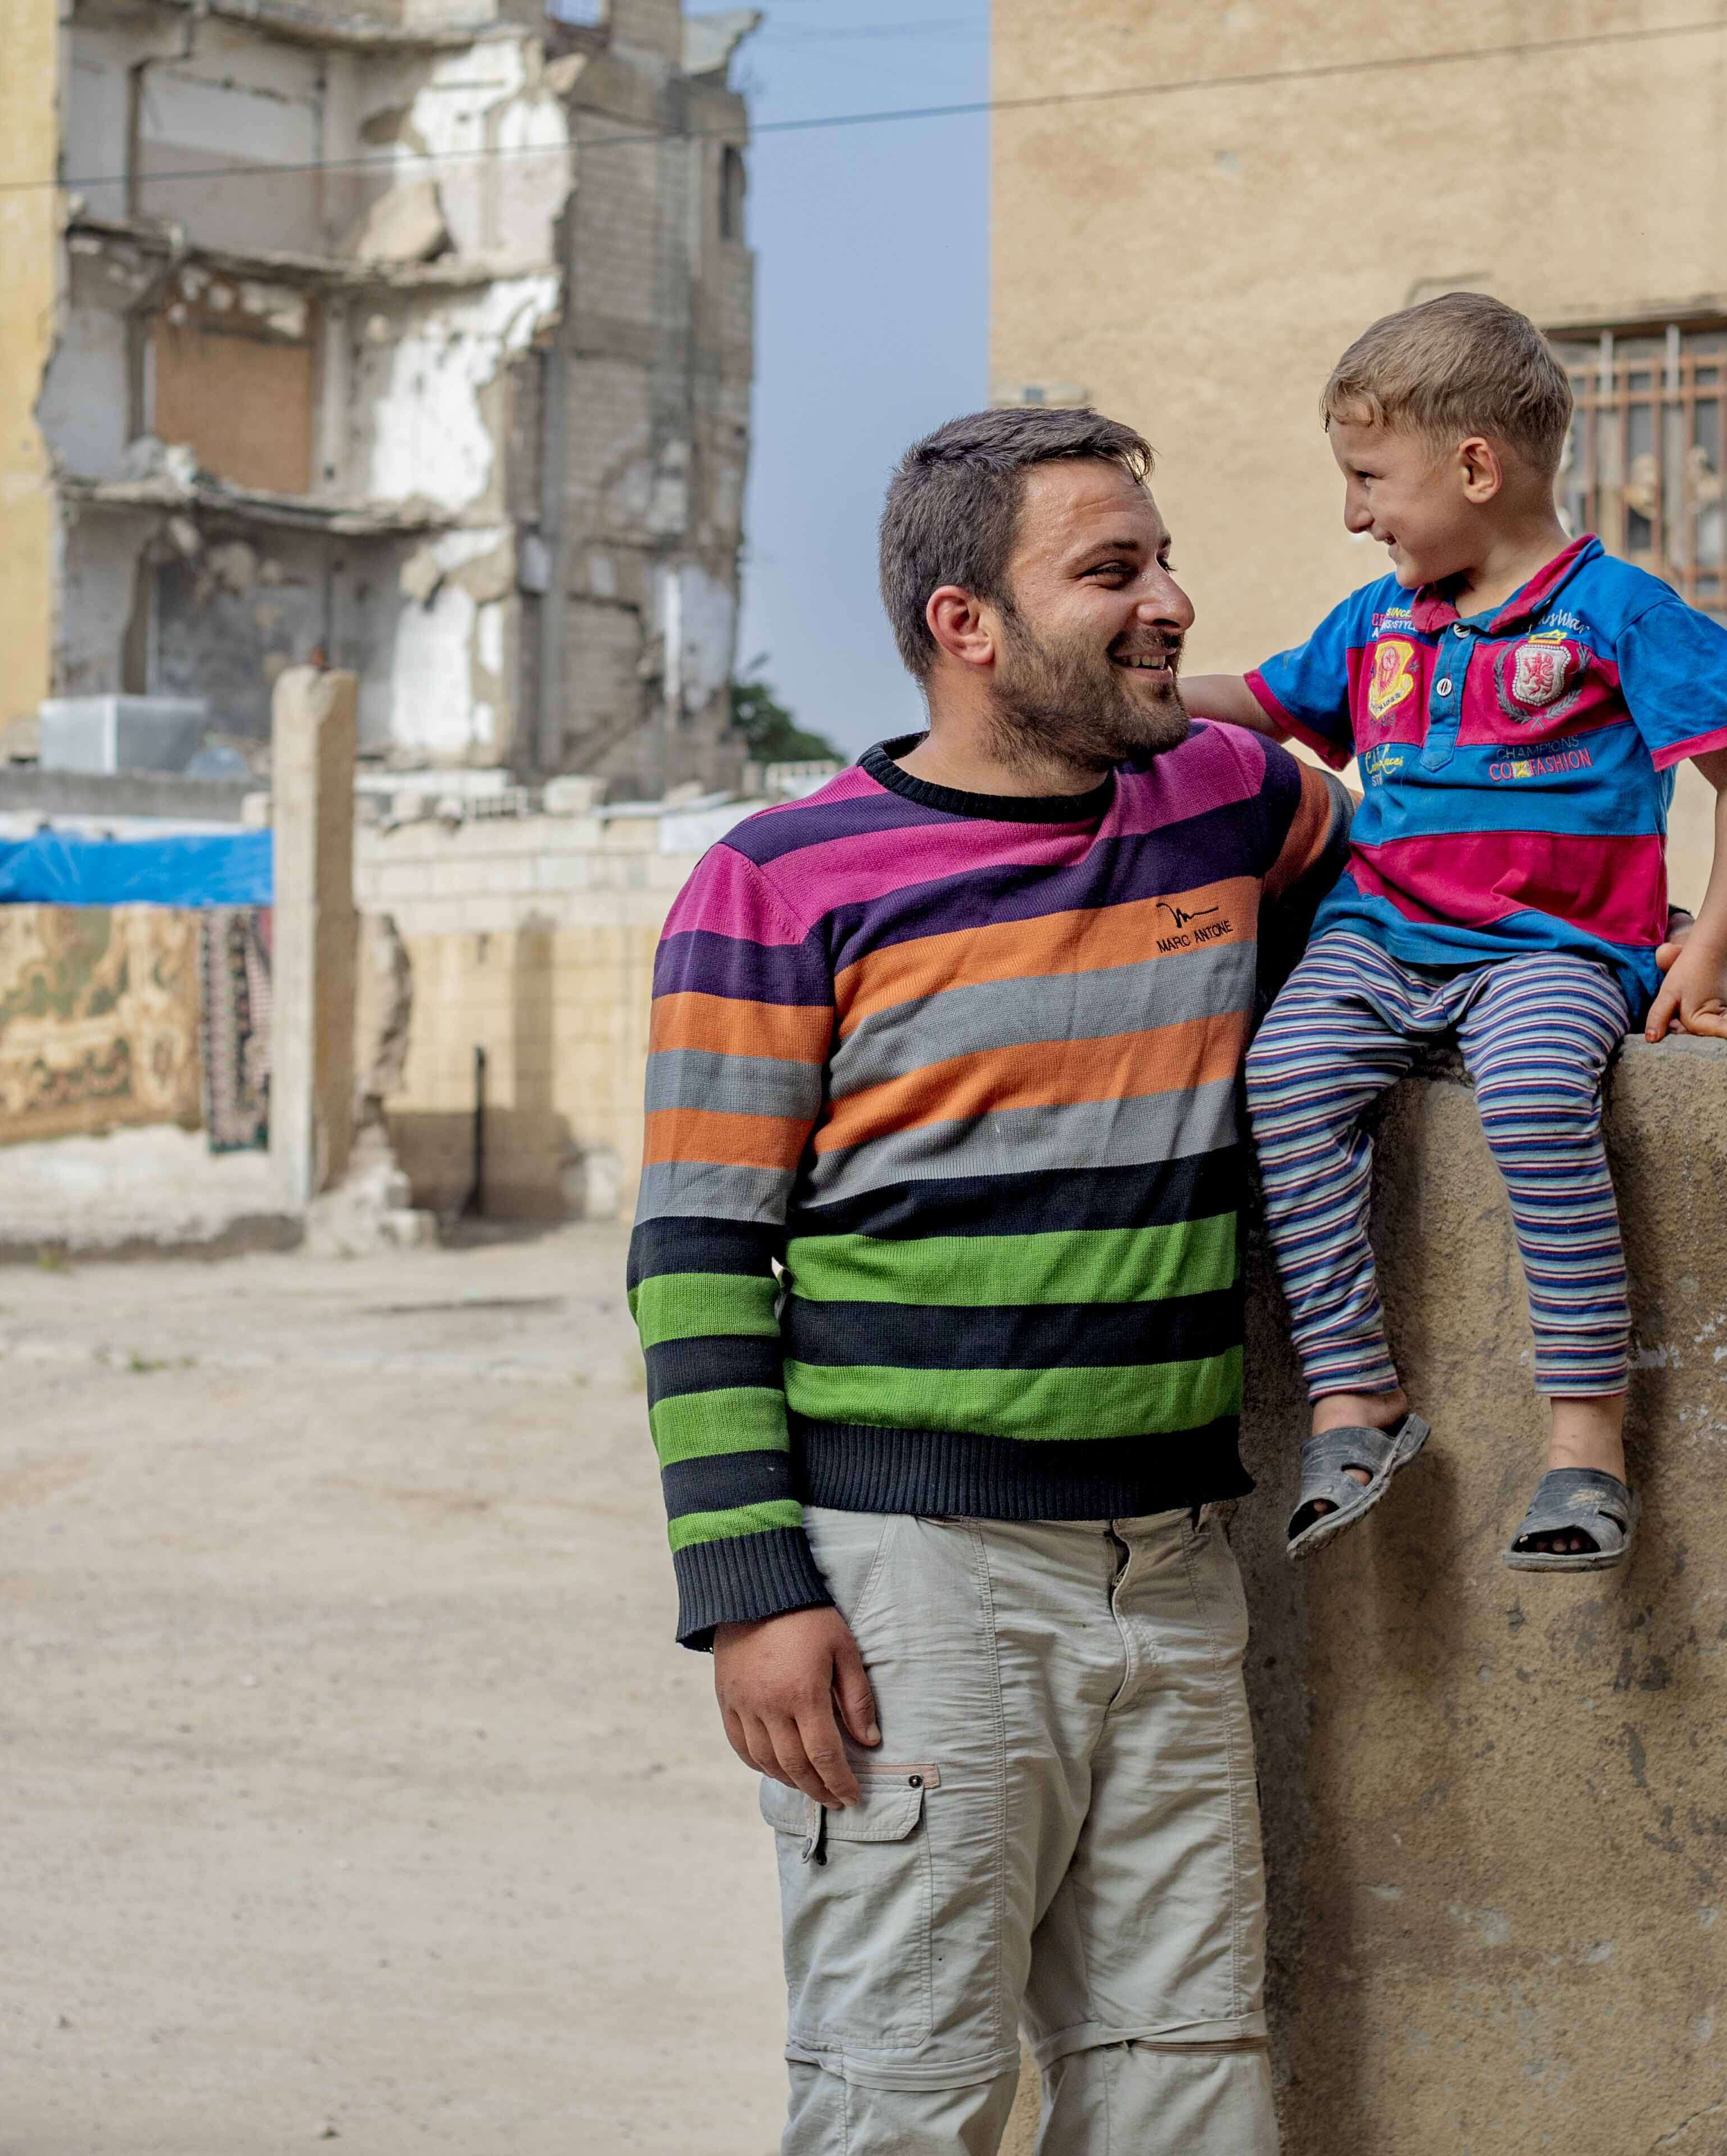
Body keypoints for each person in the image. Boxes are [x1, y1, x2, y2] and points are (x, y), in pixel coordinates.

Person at [628, 407, 1337, 2154]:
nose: (1172, 602)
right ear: (968, 626)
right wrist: (748, 1587)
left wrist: (1663, 951)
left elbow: (1435, 891)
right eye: (1113, 571)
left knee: (1189, 2091)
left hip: (1175, 1568)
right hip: (913, 1593)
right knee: (909, 2100)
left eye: (1165, 559)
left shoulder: (1231, 808)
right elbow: (700, 1253)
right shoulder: (778, 885)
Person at [1180, 291, 1727, 1575]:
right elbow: (1258, 703)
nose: (1354, 514)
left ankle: (1586, 1441)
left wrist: (1700, 950)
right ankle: (1356, 1402)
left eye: (1367, 478)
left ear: (1475, 465)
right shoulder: (1379, 624)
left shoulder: (1617, 611)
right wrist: (1115, 689)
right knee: (1283, 1079)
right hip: (1379, 933)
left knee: (1529, 1098)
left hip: (1558, 950)